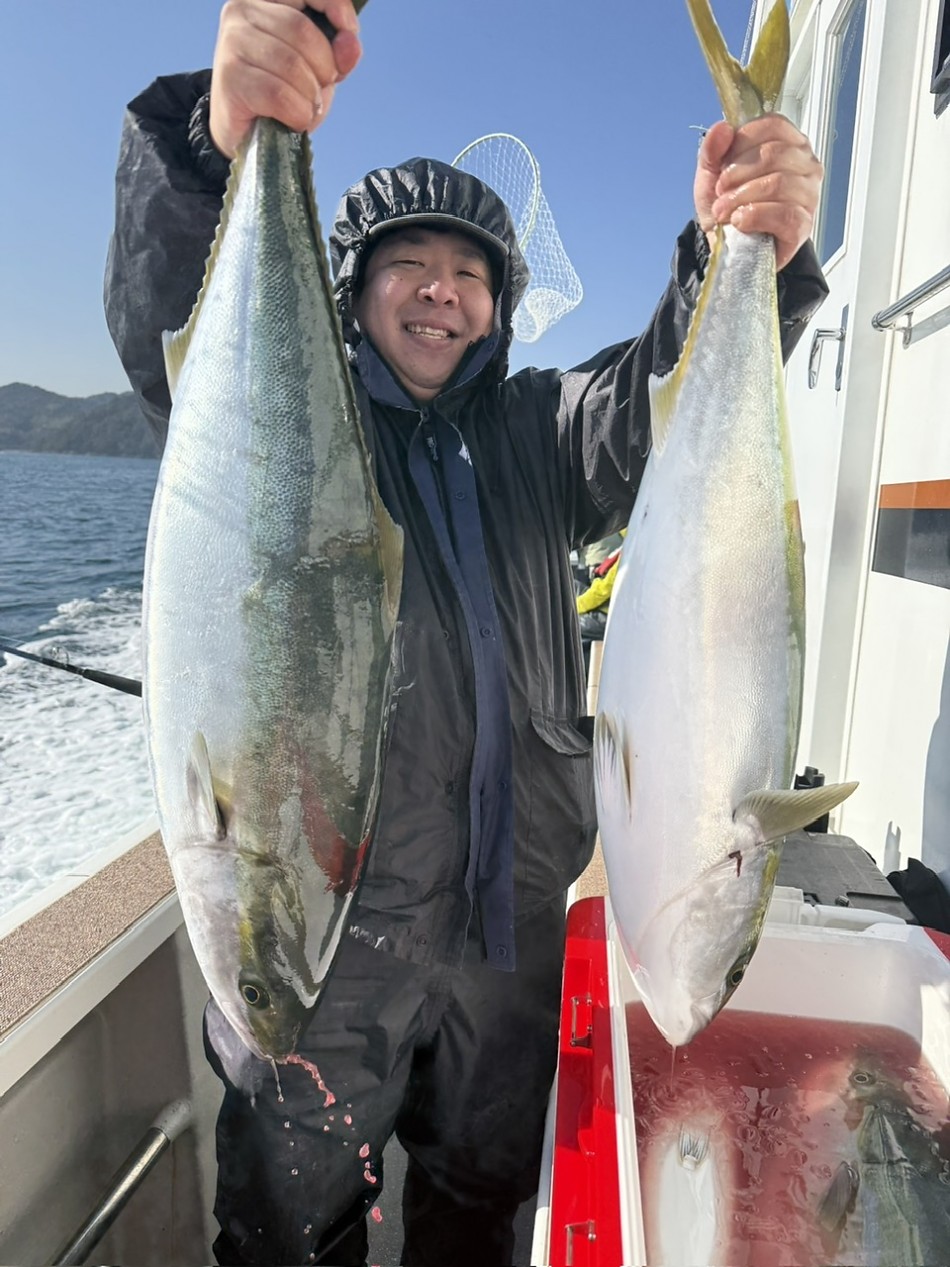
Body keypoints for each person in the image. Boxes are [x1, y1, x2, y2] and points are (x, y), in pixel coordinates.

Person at [104, 3, 827, 1263]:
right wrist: (211, 146)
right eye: (409, 262)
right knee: (287, 1229)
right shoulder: (292, 429)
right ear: (353, 285)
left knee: (480, 1209)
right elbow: (174, 313)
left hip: (507, 934)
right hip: (329, 942)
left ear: (497, 305)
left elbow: (664, 396)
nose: (441, 290)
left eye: (472, 271)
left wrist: (740, 245)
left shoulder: (543, 431)